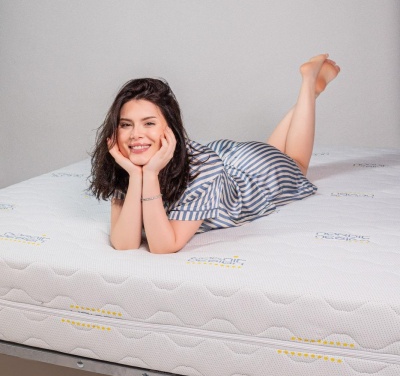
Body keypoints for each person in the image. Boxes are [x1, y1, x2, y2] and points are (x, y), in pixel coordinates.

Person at [90, 54, 340, 254]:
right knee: (276, 152)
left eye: (149, 123)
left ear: (170, 128)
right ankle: (309, 93)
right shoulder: (126, 162)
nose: (135, 135)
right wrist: (136, 176)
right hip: (225, 158)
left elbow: (163, 246)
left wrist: (151, 174)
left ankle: (309, 85)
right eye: (126, 125)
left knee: (296, 165)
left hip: (250, 174)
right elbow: (124, 243)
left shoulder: (203, 169)